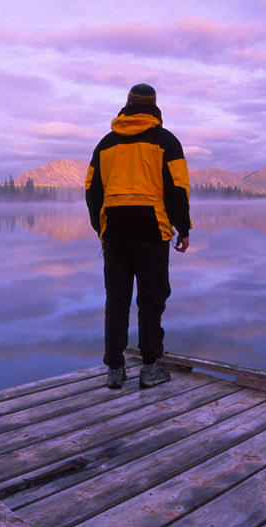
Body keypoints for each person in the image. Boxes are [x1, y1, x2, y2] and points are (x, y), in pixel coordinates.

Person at [85, 83, 191, 389]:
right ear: (154, 106)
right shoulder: (166, 141)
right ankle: (150, 367)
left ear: (127, 105)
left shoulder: (105, 145)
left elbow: (92, 191)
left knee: (116, 300)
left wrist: (100, 228)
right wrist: (183, 229)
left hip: (115, 232)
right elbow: (177, 189)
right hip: (151, 231)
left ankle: (115, 370)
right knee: (151, 300)